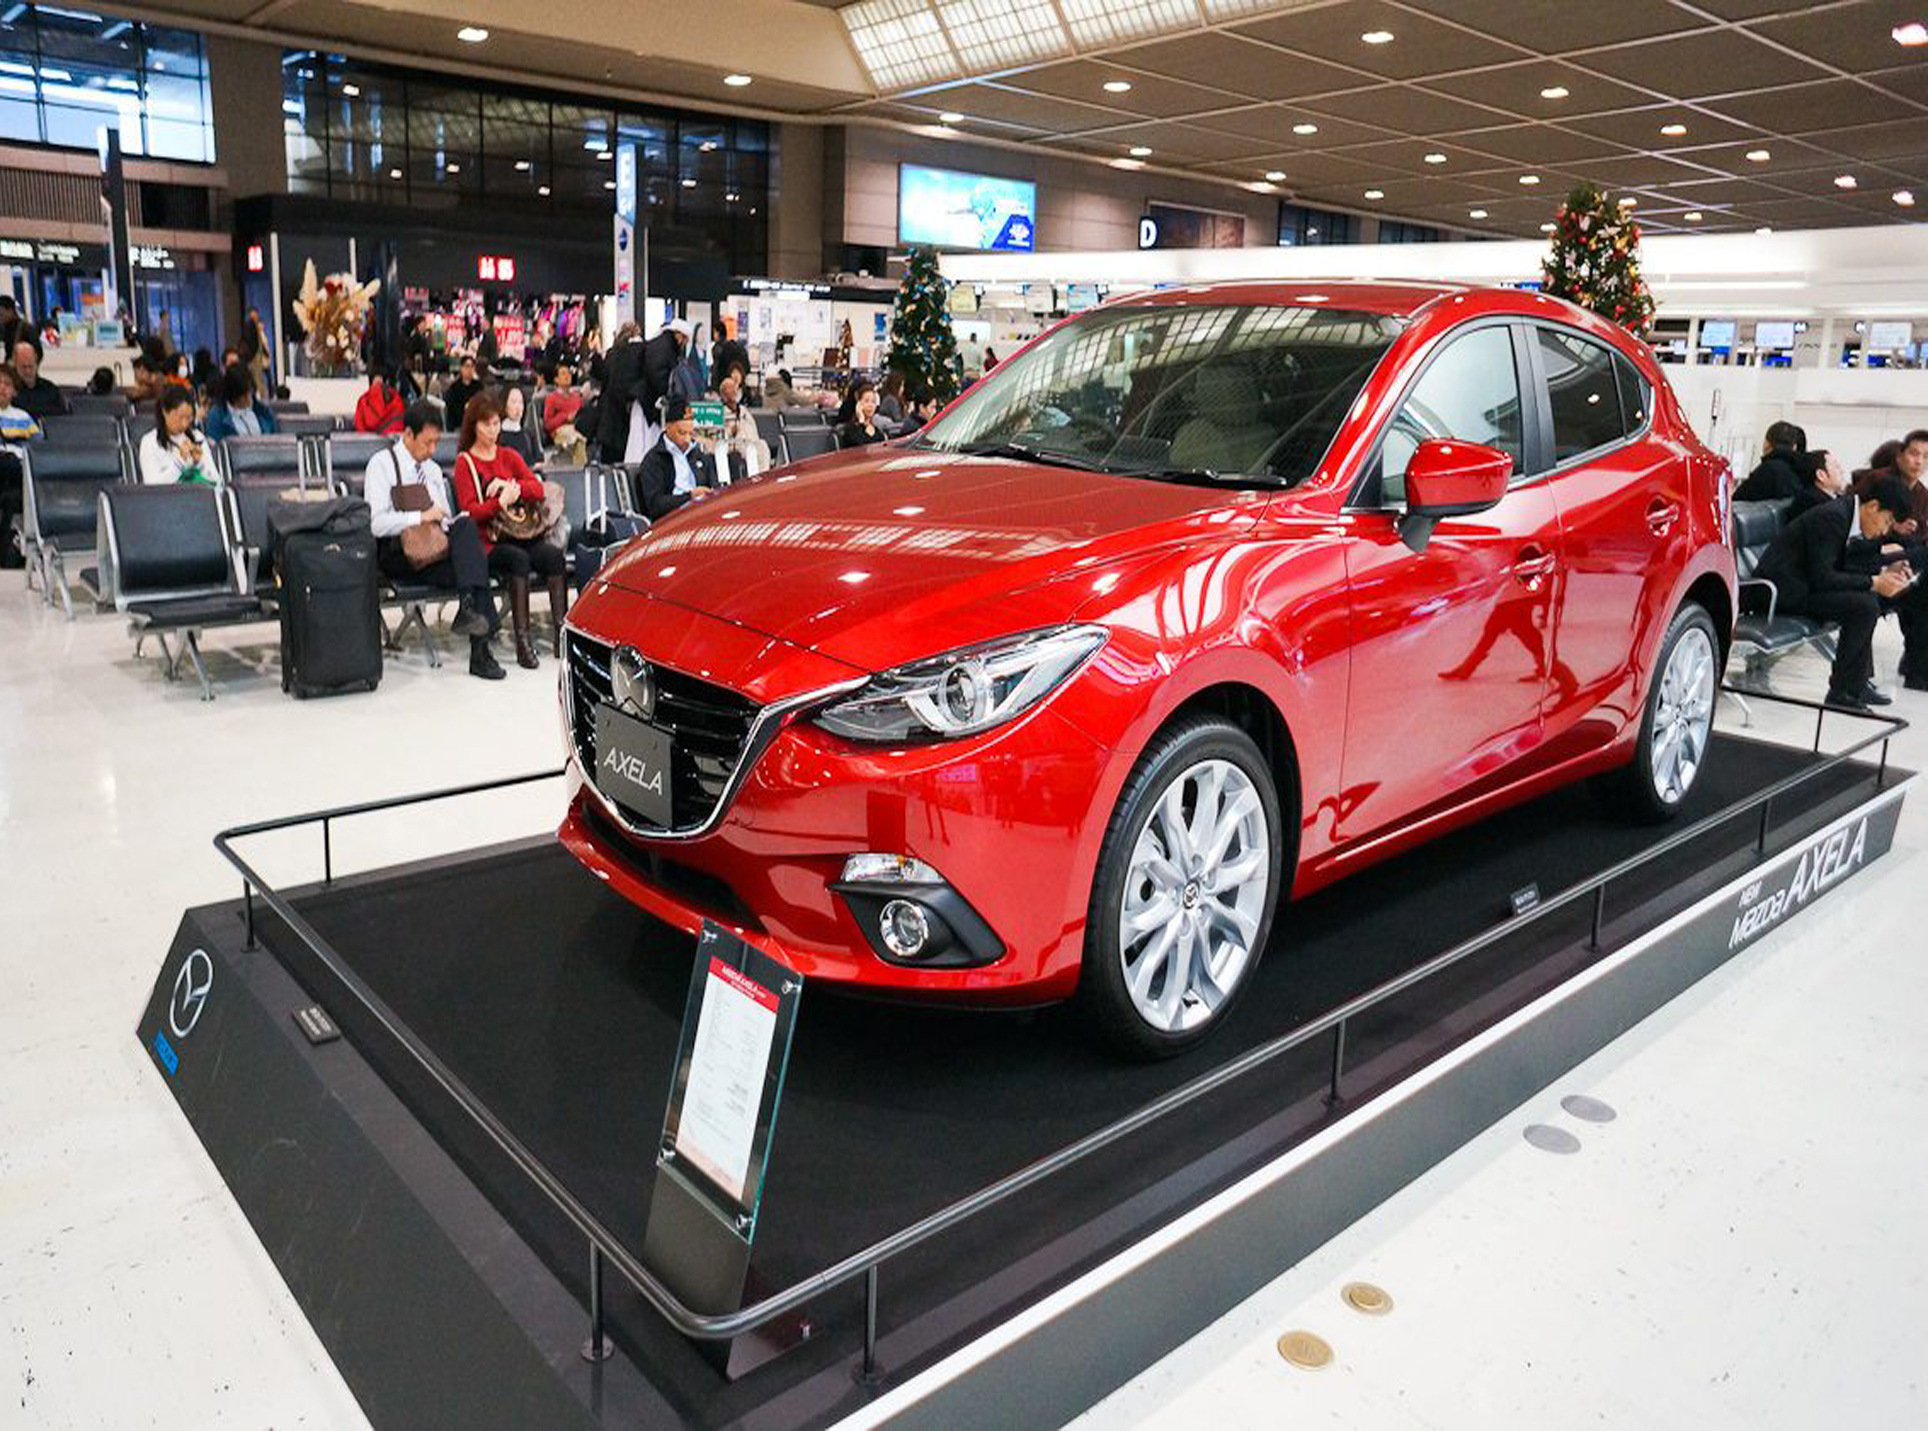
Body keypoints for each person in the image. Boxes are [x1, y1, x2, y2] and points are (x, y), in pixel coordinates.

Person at [1753, 475, 1925, 709]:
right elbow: (1824, 576)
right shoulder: (1832, 517)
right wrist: (1874, 582)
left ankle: (1855, 684)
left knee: (1867, 602)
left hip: (1805, 585)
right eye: (1886, 521)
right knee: (1864, 605)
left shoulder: (1848, 515)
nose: (1884, 531)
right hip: (1784, 592)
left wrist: (1887, 568)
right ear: (1873, 506)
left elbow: (1850, 562)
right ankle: (1842, 691)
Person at [364, 399, 502, 680]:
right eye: (427, 443)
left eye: (437, 442)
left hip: (434, 549)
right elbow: (375, 524)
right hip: (400, 554)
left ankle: (469, 612)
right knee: (475, 569)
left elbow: (445, 520)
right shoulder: (382, 465)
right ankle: (480, 649)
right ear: (408, 434)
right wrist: (420, 517)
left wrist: (447, 520)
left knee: (465, 530)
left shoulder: (433, 470)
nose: (432, 450)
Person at [451, 392, 566, 669]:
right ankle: (522, 642)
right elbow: (470, 513)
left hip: (520, 531)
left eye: (496, 423)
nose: (493, 430)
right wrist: (498, 503)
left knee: (553, 556)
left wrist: (508, 486)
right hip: (489, 540)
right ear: (474, 426)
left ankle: (562, 635)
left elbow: (537, 489)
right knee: (518, 559)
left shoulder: (508, 455)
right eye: (486, 424)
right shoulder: (465, 462)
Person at [634, 394, 719, 519]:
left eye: (691, 434)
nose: (687, 440)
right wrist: (689, 497)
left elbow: (715, 488)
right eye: (682, 433)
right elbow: (655, 505)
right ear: (668, 427)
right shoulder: (654, 460)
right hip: (673, 519)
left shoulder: (700, 456)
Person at [137, 388, 212, 484]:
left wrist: (199, 463)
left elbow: (215, 480)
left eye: (188, 417)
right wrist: (180, 463)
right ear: (165, 412)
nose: (184, 424)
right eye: (180, 417)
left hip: (197, 492)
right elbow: (152, 485)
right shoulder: (149, 441)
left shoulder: (197, 437)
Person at [1733, 420, 1809, 501]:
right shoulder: (1803, 472)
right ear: (1794, 447)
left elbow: (1736, 500)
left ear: (1766, 444)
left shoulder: (1766, 470)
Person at [715, 371, 771, 476]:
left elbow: (753, 430)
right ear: (723, 395)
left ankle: (764, 477)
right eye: (729, 389)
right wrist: (731, 432)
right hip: (734, 445)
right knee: (750, 450)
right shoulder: (719, 413)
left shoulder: (744, 411)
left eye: (734, 388)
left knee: (762, 445)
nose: (733, 391)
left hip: (750, 441)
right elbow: (718, 438)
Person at [203, 365, 279, 441]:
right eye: (244, 396)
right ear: (233, 395)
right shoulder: (217, 416)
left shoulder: (263, 411)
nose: (249, 398)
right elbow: (215, 443)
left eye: (250, 392)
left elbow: (277, 438)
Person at [542, 362, 587, 466]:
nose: (567, 376)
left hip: (577, 427)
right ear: (556, 379)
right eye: (563, 374)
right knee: (578, 440)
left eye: (568, 373)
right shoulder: (552, 398)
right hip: (559, 431)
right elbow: (547, 424)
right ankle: (580, 469)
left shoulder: (577, 397)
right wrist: (565, 417)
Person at [11, 339, 66, 419]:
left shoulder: (50, 389)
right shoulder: (8, 391)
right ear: (15, 364)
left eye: (31, 366)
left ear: (37, 363)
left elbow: (63, 414)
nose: (28, 371)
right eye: (23, 367)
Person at [498, 385, 544, 467]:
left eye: (521, 402)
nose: (518, 407)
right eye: (513, 402)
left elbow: (538, 460)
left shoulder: (529, 435)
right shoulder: (497, 436)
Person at [0, 364, 43, 450]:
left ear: (15, 392)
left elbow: (38, 447)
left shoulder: (23, 417)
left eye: (7, 384)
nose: (2, 387)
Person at [354, 366, 406, 434]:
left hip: (369, 439)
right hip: (392, 439)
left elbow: (359, 425)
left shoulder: (363, 400)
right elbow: (399, 423)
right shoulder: (395, 398)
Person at [837, 379, 887, 449]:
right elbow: (861, 445)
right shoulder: (851, 429)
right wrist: (861, 420)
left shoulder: (878, 432)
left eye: (873, 401)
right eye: (866, 401)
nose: (870, 405)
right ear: (859, 404)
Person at [440, 355, 483, 430]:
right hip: (459, 423)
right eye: (467, 366)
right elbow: (451, 409)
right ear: (461, 368)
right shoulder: (454, 388)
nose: (470, 370)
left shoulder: (479, 386)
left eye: (472, 366)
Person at [239, 306, 272, 392]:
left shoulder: (256, 326)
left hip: (258, 356)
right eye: (253, 313)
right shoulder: (249, 326)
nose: (255, 315)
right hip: (253, 356)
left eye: (256, 313)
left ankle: (264, 393)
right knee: (256, 377)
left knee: (260, 377)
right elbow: (249, 340)